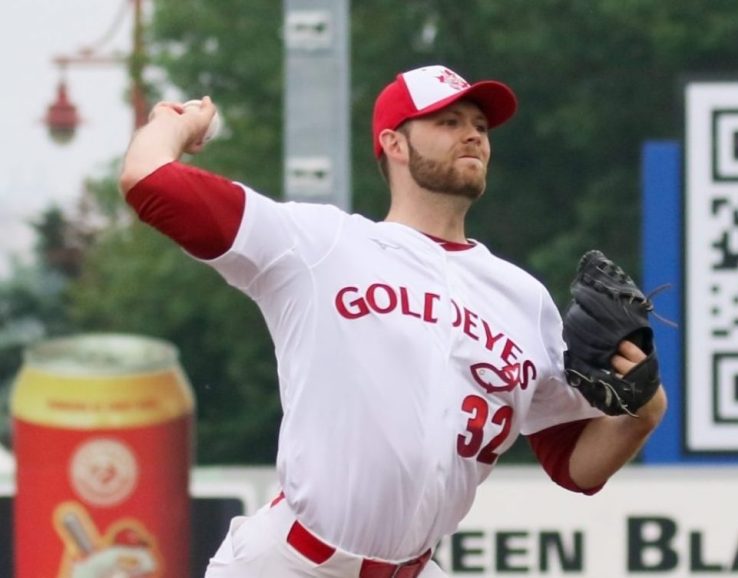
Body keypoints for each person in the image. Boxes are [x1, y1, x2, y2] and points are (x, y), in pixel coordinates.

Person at [119, 64, 667, 578]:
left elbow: (573, 465)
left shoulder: (523, 299)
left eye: (480, 125)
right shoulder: (320, 245)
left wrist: (644, 412)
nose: (472, 134)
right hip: (291, 564)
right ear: (393, 143)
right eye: (448, 122)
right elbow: (148, 181)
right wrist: (170, 125)